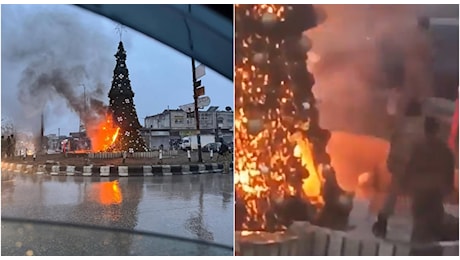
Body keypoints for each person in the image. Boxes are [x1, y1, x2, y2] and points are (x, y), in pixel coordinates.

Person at [372, 99, 424, 238]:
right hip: (411, 166)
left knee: (393, 194)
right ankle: (419, 224)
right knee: (416, 195)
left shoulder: (401, 124)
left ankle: (382, 220)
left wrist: (391, 104)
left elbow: (391, 132)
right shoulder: (420, 129)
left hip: (398, 163)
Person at [404, 117, 455, 251]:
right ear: (437, 130)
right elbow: (449, 180)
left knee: (419, 234)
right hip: (435, 198)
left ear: (425, 129)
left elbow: (408, 172)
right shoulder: (445, 152)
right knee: (433, 237)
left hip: (419, 197)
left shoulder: (416, 148)